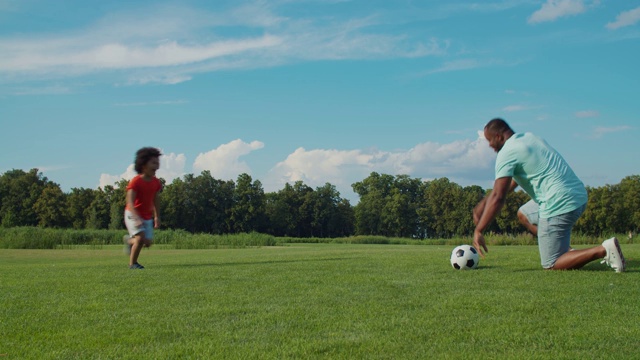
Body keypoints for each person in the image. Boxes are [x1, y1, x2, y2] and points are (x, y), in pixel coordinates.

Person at [473, 118, 625, 272]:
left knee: (551, 263)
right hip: (577, 195)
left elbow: (499, 197)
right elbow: (511, 183)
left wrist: (479, 230)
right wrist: (484, 202)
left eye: (489, 140)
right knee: (524, 214)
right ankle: (565, 251)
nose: (490, 145)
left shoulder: (507, 153)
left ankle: (604, 249)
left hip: (557, 202)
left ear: (498, 137)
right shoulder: (529, 138)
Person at [123, 147, 162, 269]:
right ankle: (133, 264)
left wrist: (157, 216)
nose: (157, 166)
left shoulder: (156, 183)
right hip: (132, 213)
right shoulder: (135, 182)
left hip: (146, 216)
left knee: (147, 242)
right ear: (143, 165)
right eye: (154, 163)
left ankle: (129, 241)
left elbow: (156, 200)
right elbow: (129, 200)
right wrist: (136, 217)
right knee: (140, 238)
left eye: (158, 162)